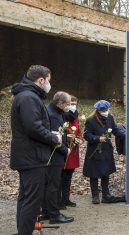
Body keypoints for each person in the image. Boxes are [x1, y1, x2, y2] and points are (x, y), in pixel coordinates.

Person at [10, 65, 62, 235]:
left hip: (28, 156)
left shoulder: (26, 95)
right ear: (41, 80)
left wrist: (48, 132)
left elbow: (33, 125)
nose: (49, 84)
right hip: (32, 157)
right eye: (49, 80)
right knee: (32, 201)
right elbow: (32, 127)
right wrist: (53, 137)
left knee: (26, 198)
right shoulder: (29, 98)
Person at [83, 100, 125, 204]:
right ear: (98, 110)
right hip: (95, 149)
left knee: (106, 172)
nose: (105, 111)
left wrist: (126, 135)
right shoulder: (90, 120)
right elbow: (87, 135)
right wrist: (98, 138)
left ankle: (106, 195)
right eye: (103, 110)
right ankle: (95, 196)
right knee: (94, 173)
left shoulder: (110, 117)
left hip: (106, 149)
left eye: (106, 109)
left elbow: (115, 130)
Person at [43, 91, 74, 224]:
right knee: (54, 185)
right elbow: (55, 137)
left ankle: (46, 211)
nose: (69, 106)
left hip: (50, 154)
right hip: (54, 155)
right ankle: (54, 215)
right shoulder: (54, 115)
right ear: (60, 103)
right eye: (68, 104)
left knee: (48, 184)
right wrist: (65, 149)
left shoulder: (52, 110)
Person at [59, 95, 82, 207]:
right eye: (70, 103)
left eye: (74, 103)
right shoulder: (61, 116)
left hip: (73, 149)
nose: (72, 106)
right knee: (61, 175)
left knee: (69, 175)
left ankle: (66, 198)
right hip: (64, 149)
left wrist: (78, 138)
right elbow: (60, 131)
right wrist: (68, 137)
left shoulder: (76, 117)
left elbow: (78, 131)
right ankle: (58, 200)